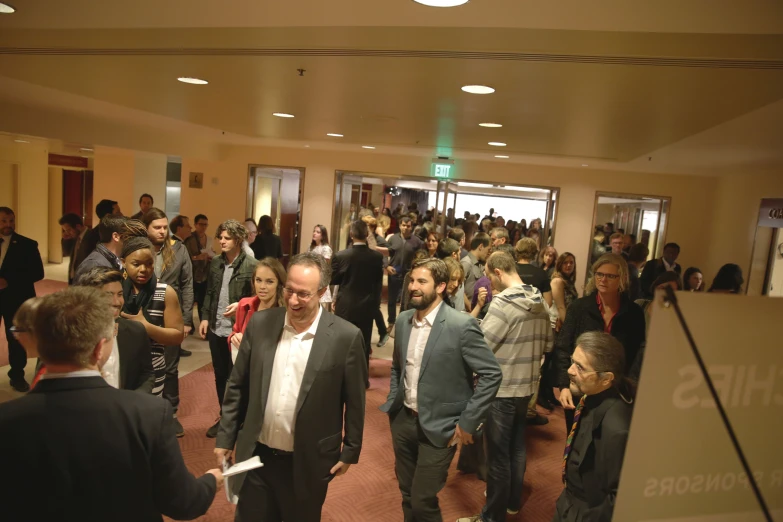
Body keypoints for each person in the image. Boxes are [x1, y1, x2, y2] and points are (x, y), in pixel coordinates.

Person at [0, 286, 222, 521]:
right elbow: (182, 503)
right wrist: (210, 482)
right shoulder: (148, 414)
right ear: (98, 350)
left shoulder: (7, 420)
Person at [215, 252, 366, 522]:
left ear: (321, 292)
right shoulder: (261, 324)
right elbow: (237, 385)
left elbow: (354, 400)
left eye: (303, 294)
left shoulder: (346, 337)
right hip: (257, 456)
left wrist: (351, 448)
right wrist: (226, 437)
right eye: (289, 290)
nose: (293, 300)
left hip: (307, 461)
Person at [380, 258, 502, 522]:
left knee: (423, 500)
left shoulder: (461, 325)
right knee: (407, 493)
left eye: (422, 281)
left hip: (442, 426)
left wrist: (468, 421)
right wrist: (394, 401)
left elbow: (492, 374)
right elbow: (397, 367)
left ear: (441, 287)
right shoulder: (402, 321)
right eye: (412, 280)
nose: (413, 286)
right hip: (403, 422)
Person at [458, 251, 553, 522]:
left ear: (499, 272)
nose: (488, 281)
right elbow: (548, 344)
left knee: (497, 457)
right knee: (517, 448)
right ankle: (512, 503)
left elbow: (482, 347)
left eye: (488, 275)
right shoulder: (538, 300)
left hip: (501, 390)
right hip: (526, 388)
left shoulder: (502, 305)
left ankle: (492, 517)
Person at [555, 254, 645, 432]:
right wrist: (564, 385)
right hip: (581, 385)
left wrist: (628, 386)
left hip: (615, 390)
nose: (603, 279)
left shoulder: (633, 313)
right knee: (575, 440)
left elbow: (637, 354)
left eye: (610, 276)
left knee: (606, 441)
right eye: (599, 274)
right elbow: (563, 347)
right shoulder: (579, 308)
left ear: (622, 279)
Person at [553, 331, 635, 522]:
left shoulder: (616, 428)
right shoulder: (589, 399)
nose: (570, 371)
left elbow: (619, 497)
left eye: (580, 368)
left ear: (606, 379)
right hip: (569, 499)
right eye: (573, 362)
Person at [199, 219, 257, 438]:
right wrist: (204, 317)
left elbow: (260, 297)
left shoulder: (251, 264)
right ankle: (225, 417)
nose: (222, 241)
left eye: (227, 238)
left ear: (238, 239)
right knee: (220, 375)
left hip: (238, 330)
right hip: (217, 327)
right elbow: (210, 292)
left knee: (238, 376)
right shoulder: (216, 263)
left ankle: (239, 419)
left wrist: (243, 305)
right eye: (220, 237)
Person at [143, 208, 195, 435]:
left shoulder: (179, 249)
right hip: (141, 316)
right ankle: (144, 412)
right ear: (146, 228)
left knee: (170, 366)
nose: (163, 231)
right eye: (157, 227)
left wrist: (185, 320)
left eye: (165, 227)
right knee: (143, 364)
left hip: (170, 317)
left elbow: (187, 285)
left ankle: (171, 412)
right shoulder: (136, 249)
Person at [120, 237, 185, 398]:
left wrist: (145, 327)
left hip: (151, 370)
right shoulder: (116, 290)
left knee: (146, 416)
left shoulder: (165, 292)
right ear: (123, 263)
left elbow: (177, 335)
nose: (143, 269)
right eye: (136, 264)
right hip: (119, 367)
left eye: (149, 264)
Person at [75, 267, 155, 393]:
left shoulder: (136, 332)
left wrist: (132, 401)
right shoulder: (68, 337)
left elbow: (147, 374)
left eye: (120, 294)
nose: (117, 302)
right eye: (108, 295)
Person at [331, 220, 383, 386]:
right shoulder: (376, 257)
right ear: (367, 234)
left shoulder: (341, 256)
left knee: (342, 341)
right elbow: (377, 284)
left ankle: (340, 376)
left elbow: (334, 279)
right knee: (363, 342)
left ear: (351, 235)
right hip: (366, 305)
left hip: (345, 305)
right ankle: (362, 378)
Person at [0, 206, 45, 392]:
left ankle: (17, 375)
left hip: (16, 299)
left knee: (16, 338)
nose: (8, 225)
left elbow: (38, 273)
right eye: (3, 221)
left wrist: (8, 281)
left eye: (11, 220)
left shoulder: (27, 245)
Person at [228, 257, 287, 363]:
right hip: (245, 370)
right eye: (258, 280)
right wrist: (234, 337)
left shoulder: (285, 313)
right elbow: (235, 332)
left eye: (269, 282)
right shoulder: (244, 305)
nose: (262, 286)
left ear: (279, 284)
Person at [386, 216, 424, 329]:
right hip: (393, 273)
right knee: (392, 300)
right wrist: (386, 266)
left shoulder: (417, 242)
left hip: (409, 275)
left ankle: (404, 322)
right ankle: (391, 322)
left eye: (408, 226)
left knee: (406, 300)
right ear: (399, 225)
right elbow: (385, 254)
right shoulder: (392, 239)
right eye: (403, 225)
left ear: (411, 227)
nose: (406, 228)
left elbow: (420, 257)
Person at [73, 198, 122, 274]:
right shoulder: (93, 236)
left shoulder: (117, 232)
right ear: (108, 216)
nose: (121, 215)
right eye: (118, 212)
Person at [73, 214, 127, 281]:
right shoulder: (93, 265)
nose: (134, 239)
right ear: (116, 237)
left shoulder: (119, 258)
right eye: (130, 235)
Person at [184, 213, 213, 322]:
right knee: (190, 300)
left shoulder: (209, 239)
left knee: (202, 301)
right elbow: (186, 256)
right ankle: (188, 323)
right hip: (192, 272)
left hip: (204, 273)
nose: (203, 227)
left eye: (206, 225)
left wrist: (210, 256)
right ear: (195, 225)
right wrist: (197, 257)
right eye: (201, 224)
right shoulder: (189, 239)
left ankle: (203, 323)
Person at [514, 237, 553, 307]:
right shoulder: (542, 274)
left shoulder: (509, 270)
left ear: (517, 251)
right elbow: (548, 302)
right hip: (534, 314)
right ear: (534, 253)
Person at [551, 252, 578, 333]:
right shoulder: (557, 281)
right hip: (558, 324)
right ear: (560, 265)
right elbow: (560, 307)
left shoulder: (568, 281)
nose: (569, 265)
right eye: (565, 263)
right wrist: (569, 327)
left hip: (566, 320)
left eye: (571, 262)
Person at [461, 231, 491, 302]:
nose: (489, 253)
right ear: (481, 247)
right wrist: (470, 308)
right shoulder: (466, 263)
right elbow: (459, 290)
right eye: (488, 250)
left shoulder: (481, 263)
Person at [310, 224, 333, 312]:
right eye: (314, 231)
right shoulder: (311, 247)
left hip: (320, 277)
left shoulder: (325, 248)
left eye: (318, 232)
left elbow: (324, 265)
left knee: (321, 306)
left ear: (322, 235)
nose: (314, 233)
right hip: (311, 276)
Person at [59, 212, 87, 284]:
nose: (67, 233)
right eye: (65, 230)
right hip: (73, 277)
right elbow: (67, 252)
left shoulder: (91, 237)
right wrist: (65, 239)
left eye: (68, 230)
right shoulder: (74, 238)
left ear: (78, 226)